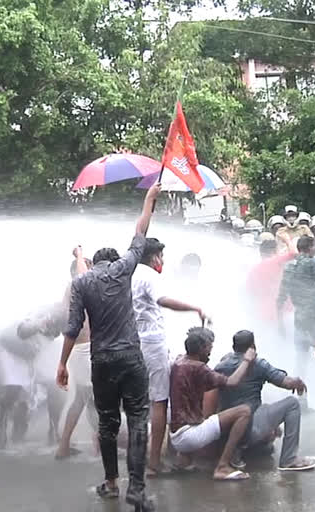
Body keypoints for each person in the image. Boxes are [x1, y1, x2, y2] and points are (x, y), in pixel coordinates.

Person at [56, 183, 161, 509]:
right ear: (115, 262)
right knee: (138, 419)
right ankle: (137, 488)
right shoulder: (124, 268)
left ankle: (112, 483)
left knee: (107, 422)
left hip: (101, 361)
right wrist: (148, 199)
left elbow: (72, 328)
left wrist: (62, 364)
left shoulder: (81, 283)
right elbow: (140, 231)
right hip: (131, 357)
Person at [131, 237, 207, 476]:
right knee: (160, 401)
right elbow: (163, 301)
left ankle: (139, 458)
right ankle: (154, 463)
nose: (162, 261)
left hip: (132, 342)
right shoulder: (150, 275)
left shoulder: (128, 274)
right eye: (161, 256)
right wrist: (195, 308)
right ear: (154, 257)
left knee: (138, 403)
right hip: (152, 344)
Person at [213, 330, 315, 471]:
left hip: (224, 432)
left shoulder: (220, 366)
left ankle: (236, 451)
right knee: (292, 404)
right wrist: (297, 382)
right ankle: (289, 459)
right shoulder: (257, 364)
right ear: (253, 346)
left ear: (234, 347)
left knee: (263, 407)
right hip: (248, 431)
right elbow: (286, 383)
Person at [169, 327, 256, 480]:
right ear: (201, 348)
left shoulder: (179, 362)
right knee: (244, 411)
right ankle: (223, 466)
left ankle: (184, 461)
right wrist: (247, 360)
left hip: (176, 435)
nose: (210, 352)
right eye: (209, 347)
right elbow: (232, 381)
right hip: (189, 435)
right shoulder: (200, 368)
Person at [0, 306, 62, 450]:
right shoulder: (36, 321)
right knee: (15, 386)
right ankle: (1, 427)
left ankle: (53, 429)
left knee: (52, 385)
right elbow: (22, 332)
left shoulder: (62, 322)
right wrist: (39, 326)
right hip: (11, 349)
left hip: (32, 348)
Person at [56, 249, 97, 460]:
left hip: (80, 350)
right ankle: (97, 446)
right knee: (91, 398)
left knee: (82, 399)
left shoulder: (69, 289)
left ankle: (65, 446)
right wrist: (79, 254)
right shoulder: (79, 285)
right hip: (84, 350)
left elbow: (64, 316)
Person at [278, 236, 315, 383]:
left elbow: (281, 297)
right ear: (310, 248)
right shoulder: (311, 263)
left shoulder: (289, 266)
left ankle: (301, 398)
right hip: (314, 315)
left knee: (301, 358)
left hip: (299, 318)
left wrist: (280, 323)